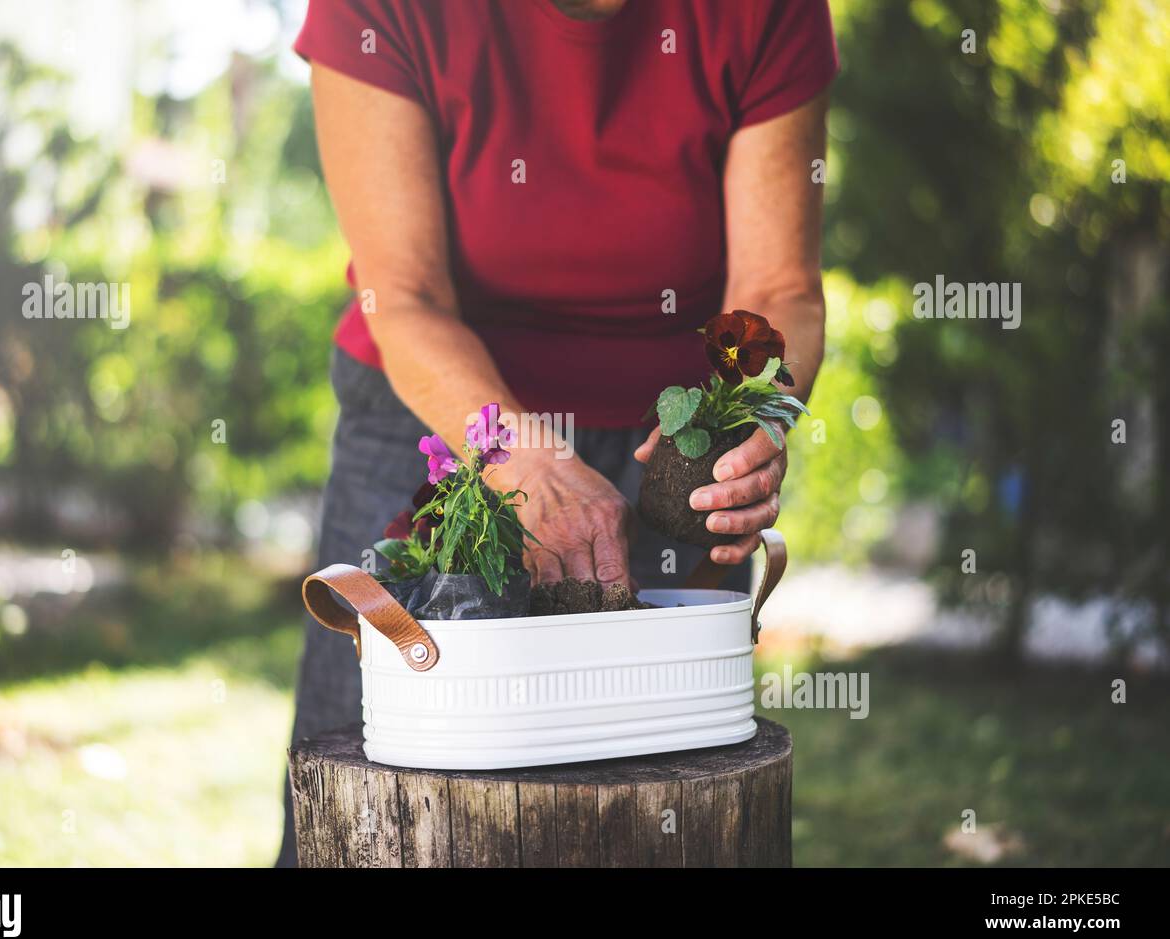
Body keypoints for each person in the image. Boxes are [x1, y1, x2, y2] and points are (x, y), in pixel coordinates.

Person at [277, 0, 836, 866]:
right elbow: (407, 298)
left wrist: (753, 411)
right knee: (378, 788)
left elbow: (780, 285)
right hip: (429, 415)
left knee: (658, 800)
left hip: (663, 438)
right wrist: (516, 451)